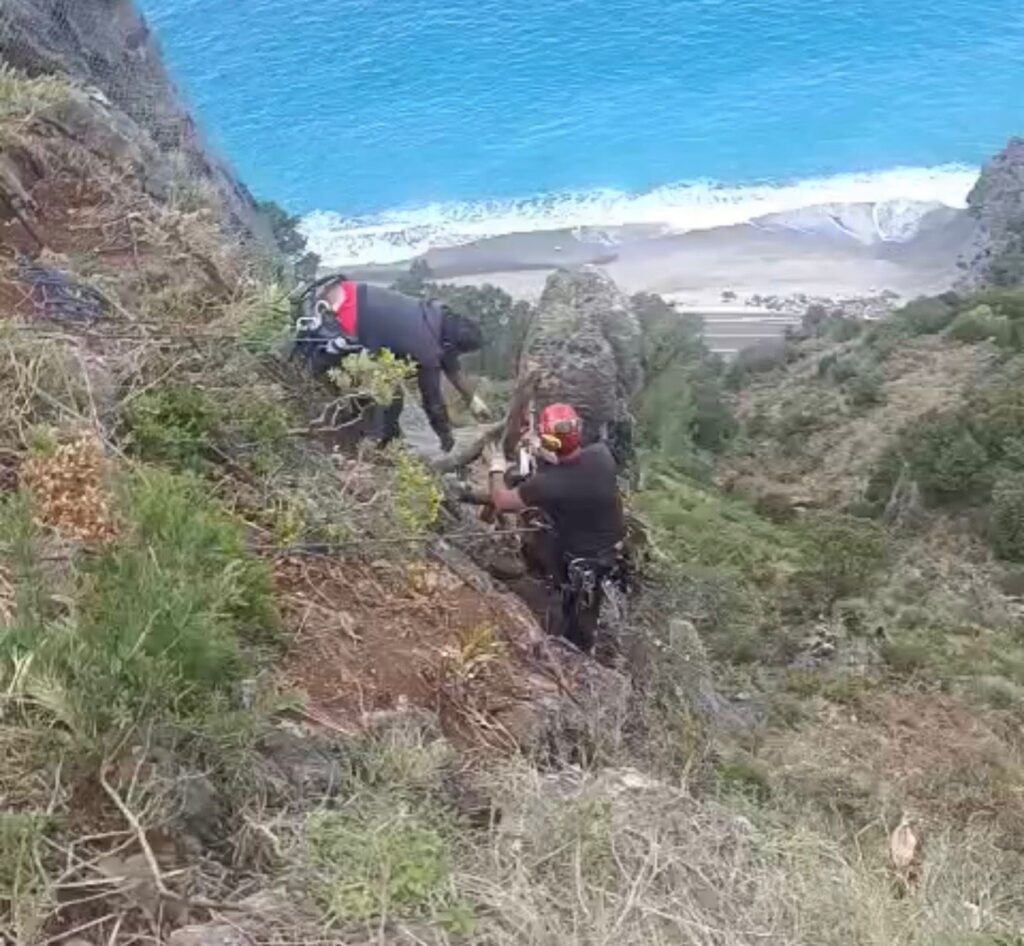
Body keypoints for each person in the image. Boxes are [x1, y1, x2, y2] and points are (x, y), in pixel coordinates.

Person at [485, 403, 625, 651]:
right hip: (611, 550)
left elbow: (502, 501)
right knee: (588, 609)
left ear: (550, 442)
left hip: (579, 560)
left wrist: (496, 469)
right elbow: (567, 462)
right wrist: (539, 447)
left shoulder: (545, 486)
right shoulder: (601, 456)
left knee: (574, 623)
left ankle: (567, 648)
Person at [296, 278, 490, 451]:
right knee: (389, 394)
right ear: (452, 344)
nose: (456, 355)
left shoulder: (437, 313)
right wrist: (445, 437)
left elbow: (449, 360)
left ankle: (382, 434)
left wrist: (472, 400)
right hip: (351, 321)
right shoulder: (426, 348)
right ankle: (375, 440)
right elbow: (432, 401)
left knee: (387, 383)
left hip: (351, 290)